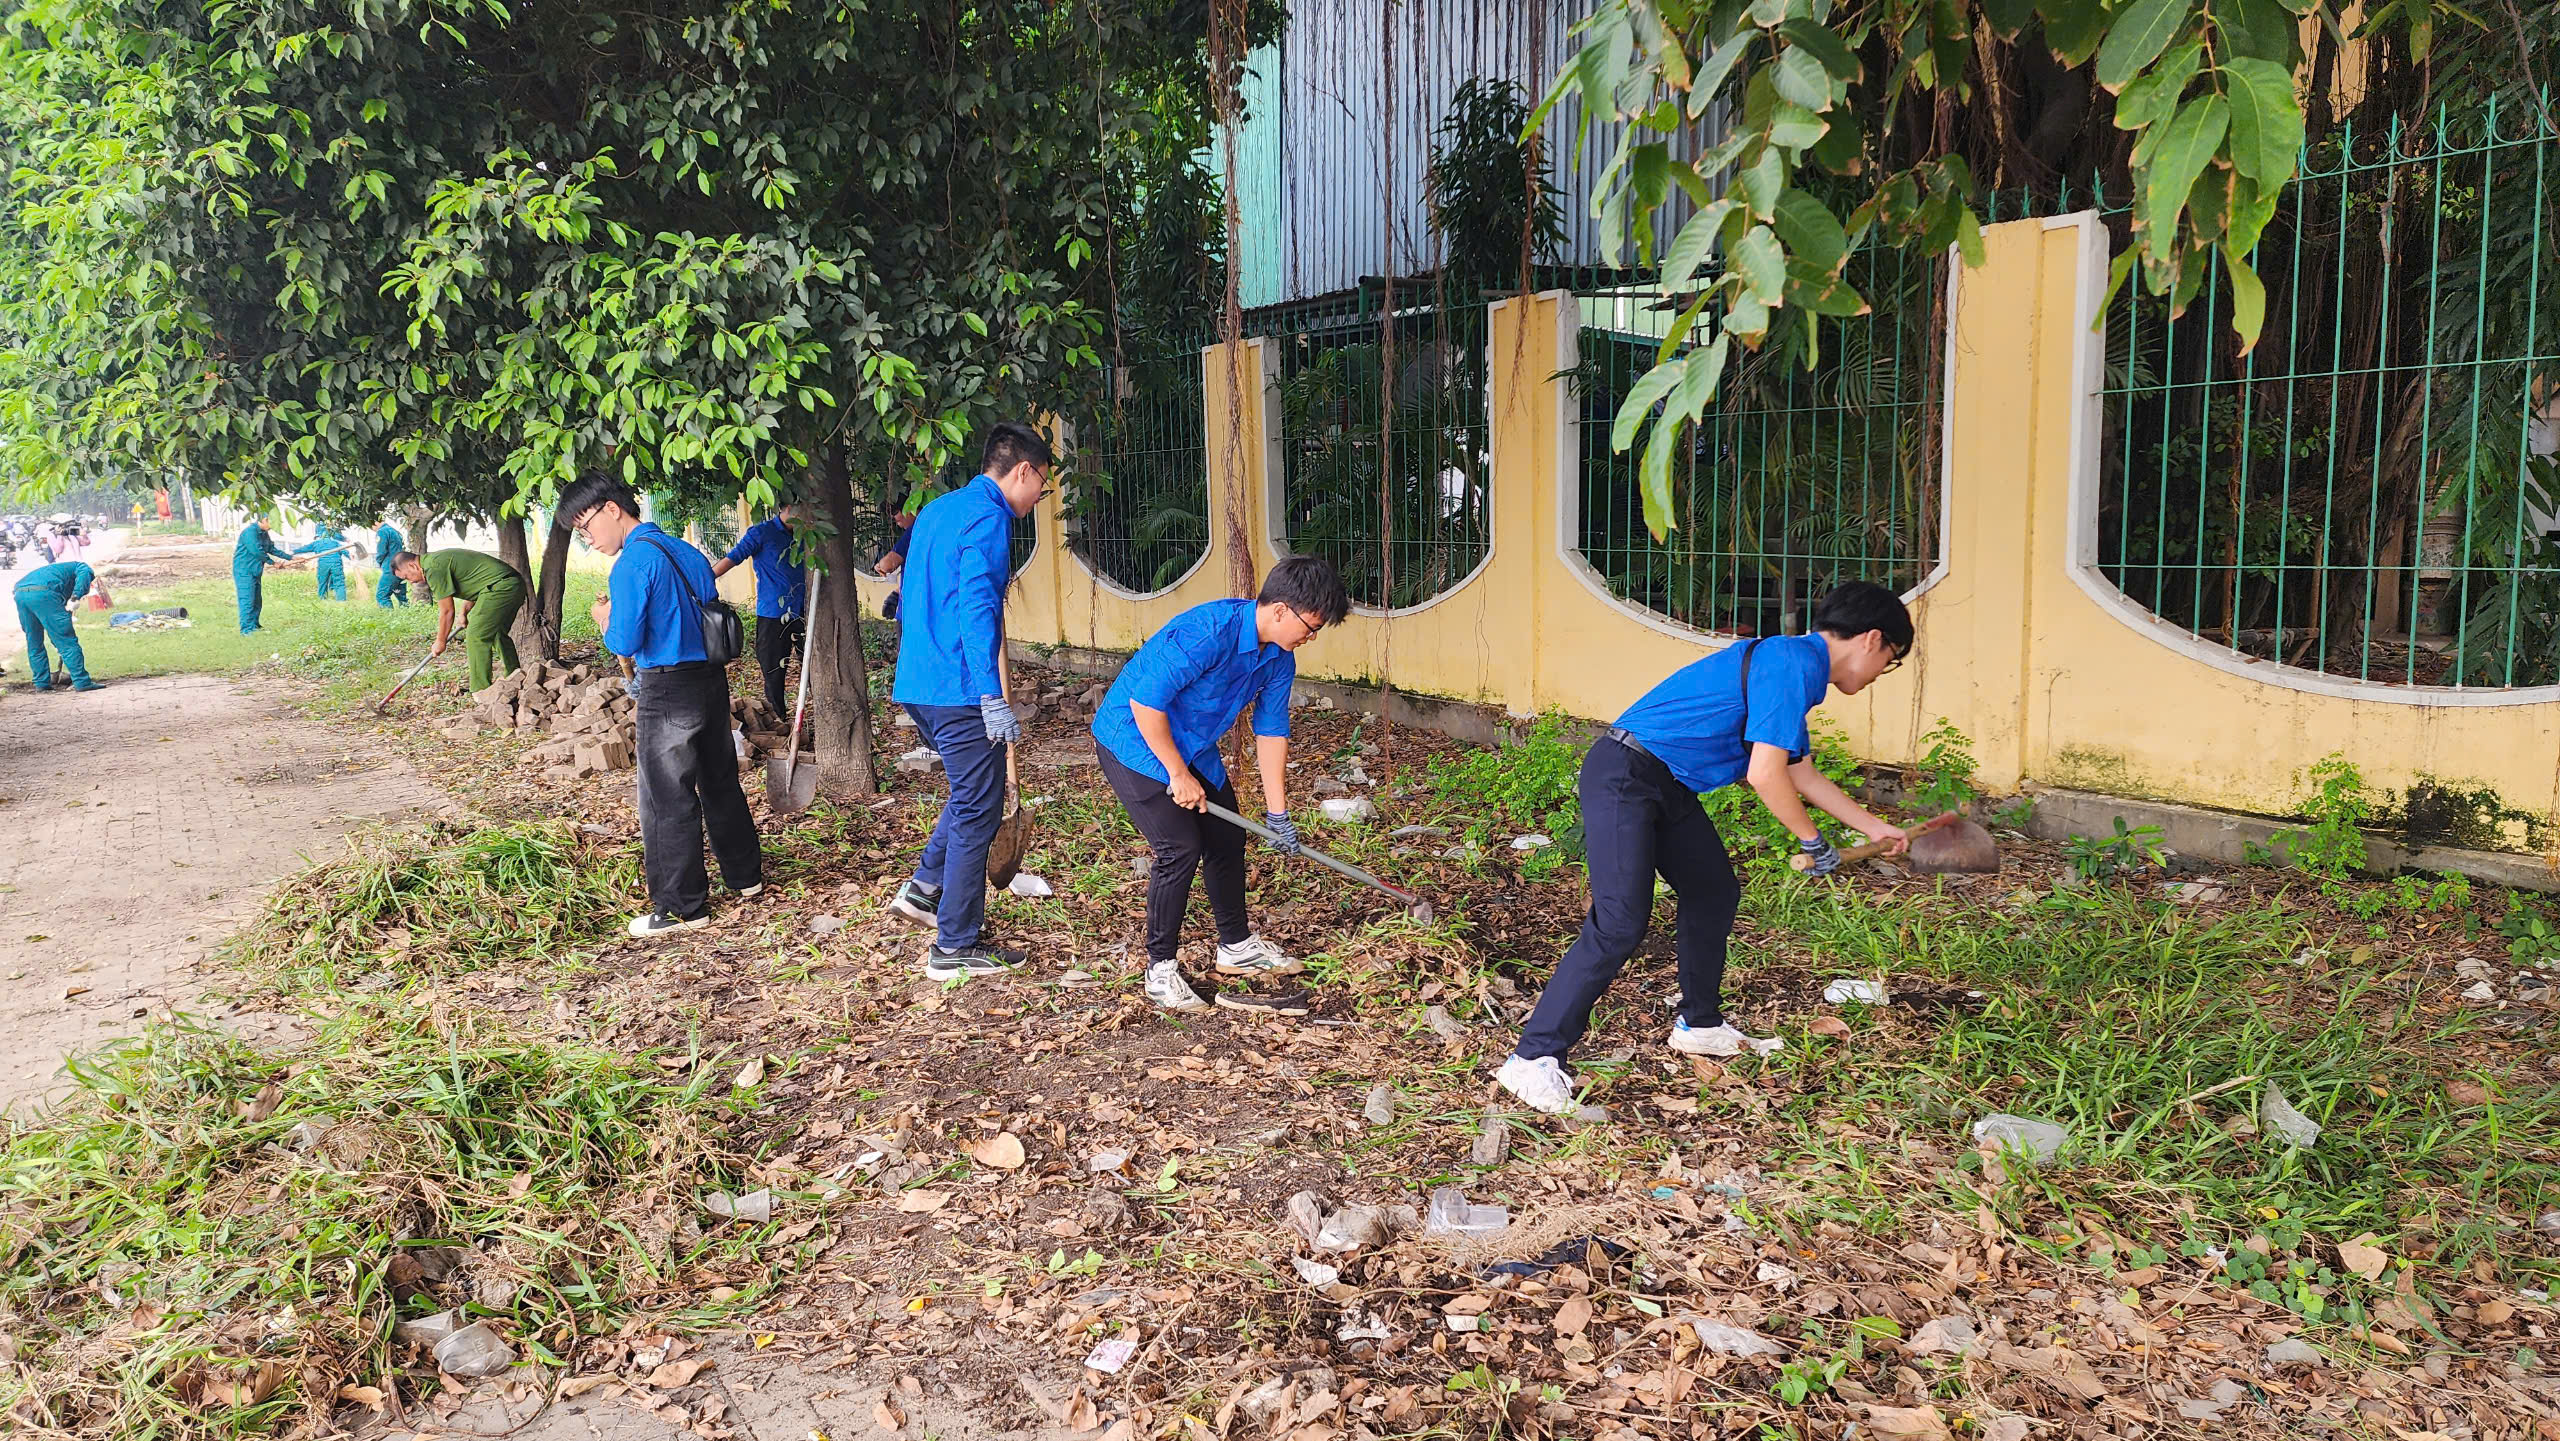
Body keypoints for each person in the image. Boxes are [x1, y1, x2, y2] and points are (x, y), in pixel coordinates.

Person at [1494, 582, 1918, 1117]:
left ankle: (1700, 1024)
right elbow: (1765, 775)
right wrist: (1812, 840)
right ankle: (1530, 1059)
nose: (1882, 672)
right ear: (1872, 639)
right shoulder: (1792, 664)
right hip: (1626, 773)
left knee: (1713, 891)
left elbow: (1798, 770)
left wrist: (1876, 827)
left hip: (1664, 783)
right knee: (1621, 922)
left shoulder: (1797, 668)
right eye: (1890, 660)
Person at [1090, 556, 1351, 1012]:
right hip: (1133, 740)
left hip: (1193, 746)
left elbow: (1270, 730)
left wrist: (1278, 813)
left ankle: (1235, 947)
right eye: (1311, 625)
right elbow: (1145, 702)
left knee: (1228, 839)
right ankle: (1160, 970)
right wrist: (1176, 774)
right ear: (1281, 611)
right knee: (1179, 848)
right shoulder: (1206, 631)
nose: (1312, 636)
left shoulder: (1278, 659)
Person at [561, 474, 764, 938]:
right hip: (711, 681)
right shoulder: (686, 552)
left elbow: (625, 640)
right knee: (719, 780)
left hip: (668, 687)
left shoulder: (633, 564)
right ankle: (744, 876)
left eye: (586, 528)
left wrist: (604, 620)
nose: (589, 540)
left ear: (612, 509)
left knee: (665, 796)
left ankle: (680, 907)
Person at [882, 421, 1051, 979]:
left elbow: (909, 599)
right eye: (1041, 486)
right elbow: (977, 608)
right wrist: (990, 694)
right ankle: (955, 945)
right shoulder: (989, 519)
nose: (1037, 498)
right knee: (980, 806)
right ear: (1022, 470)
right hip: (958, 687)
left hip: (919, 682)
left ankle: (927, 889)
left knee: (972, 791)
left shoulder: (937, 510)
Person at [709, 502, 808, 720]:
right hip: (773, 614)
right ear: (788, 507)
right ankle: (779, 720)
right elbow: (734, 558)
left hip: (804, 612)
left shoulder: (807, 535)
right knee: (773, 670)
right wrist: (703, 580)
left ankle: (817, 716)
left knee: (812, 666)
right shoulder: (762, 533)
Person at [392, 546, 526, 692]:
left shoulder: (433, 568)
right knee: (495, 631)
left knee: (476, 634)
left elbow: (447, 611)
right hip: (512, 584)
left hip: (502, 587)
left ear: (412, 566)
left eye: (407, 577)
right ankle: (515, 676)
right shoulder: (435, 561)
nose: (411, 582)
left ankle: (480, 691)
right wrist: (464, 612)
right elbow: (479, 582)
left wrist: (440, 641)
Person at [13, 556, 111, 693]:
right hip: (44, 593)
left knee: (33, 641)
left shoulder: (58, 572)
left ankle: (41, 683)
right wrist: (76, 596)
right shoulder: (82, 567)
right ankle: (82, 681)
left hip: (20, 593)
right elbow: (83, 577)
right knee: (66, 641)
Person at [232, 517, 294, 633]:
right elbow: (256, 550)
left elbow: (271, 549)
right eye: (272, 523)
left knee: (256, 600)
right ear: (264, 520)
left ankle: (255, 625)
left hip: (256, 570)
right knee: (247, 599)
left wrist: (291, 557)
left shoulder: (264, 533)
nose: (272, 527)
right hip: (244, 571)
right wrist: (273, 563)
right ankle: (246, 629)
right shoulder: (249, 532)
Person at [876, 495, 921, 620]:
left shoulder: (916, 530)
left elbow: (888, 565)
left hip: (914, 612)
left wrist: (881, 565)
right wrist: (897, 593)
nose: (895, 520)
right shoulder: (933, 529)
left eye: (895, 513)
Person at [296, 523, 350, 601]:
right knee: (339, 583)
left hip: (323, 565)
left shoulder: (316, 543)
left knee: (322, 582)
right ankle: (341, 602)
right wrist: (351, 557)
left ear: (318, 534)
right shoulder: (335, 543)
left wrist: (292, 552)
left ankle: (322, 600)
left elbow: (303, 549)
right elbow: (345, 551)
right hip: (336, 564)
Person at [373, 519, 410, 607]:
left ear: (375, 522)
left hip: (390, 568)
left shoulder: (382, 531)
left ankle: (388, 618)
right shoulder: (394, 531)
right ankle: (408, 616)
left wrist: (378, 562)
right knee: (402, 597)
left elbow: (381, 552)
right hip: (401, 567)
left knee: (382, 596)